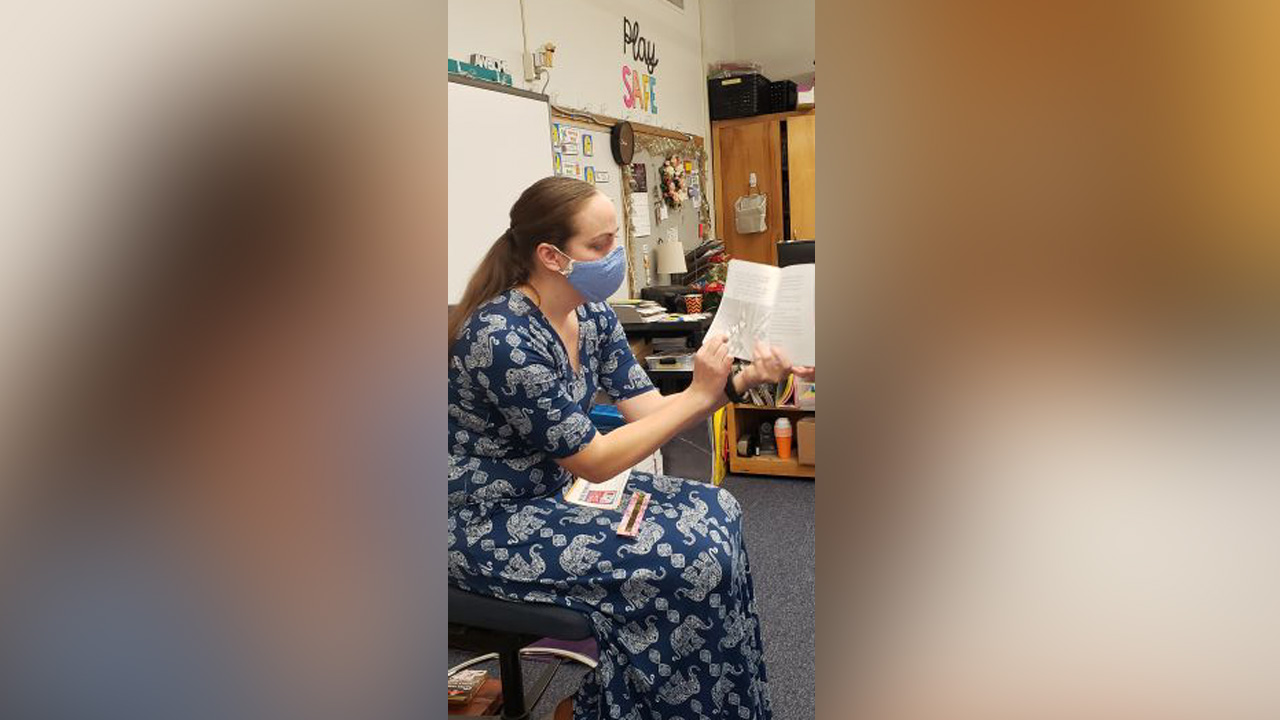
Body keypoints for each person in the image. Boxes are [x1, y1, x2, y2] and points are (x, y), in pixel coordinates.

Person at [447, 176, 787, 720]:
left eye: (616, 241)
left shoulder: (592, 315)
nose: (615, 257)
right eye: (600, 244)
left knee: (718, 509)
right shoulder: (500, 335)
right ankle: (600, 710)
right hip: (486, 519)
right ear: (551, 256)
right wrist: (701, 392)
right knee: (690, 560)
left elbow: (650, 414)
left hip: (554, 493)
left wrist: (737, 382)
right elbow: (595, 460)